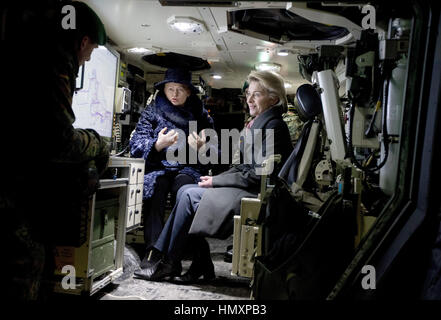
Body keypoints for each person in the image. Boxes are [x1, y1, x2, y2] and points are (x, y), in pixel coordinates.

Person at [134, 70, 293, 282]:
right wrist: (215, 180)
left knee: (188, 195)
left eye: (257, 94)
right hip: (246, 186)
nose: (249, 100)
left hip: (256, 193)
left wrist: (215, 179)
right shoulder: (257, 124)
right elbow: (241, 167)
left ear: (273, 98)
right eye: (248, 95)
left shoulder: (273, 126)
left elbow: (258, 175)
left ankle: (167, 262)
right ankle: (183, 262)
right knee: (184, 191)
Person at [1, 1, 110, 300]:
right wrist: (99, 143)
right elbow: (58, 141)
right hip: (12, 189)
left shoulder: (22, 48)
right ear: (83, 41)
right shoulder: (54, 63)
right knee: (23, 266)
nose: (87, 60)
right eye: (90, 52)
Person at [129, 68, 215, 266]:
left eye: (179, 90)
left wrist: (202, 148)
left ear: (189, 92)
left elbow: (217, 154)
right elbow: (136, 145)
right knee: (156, 189)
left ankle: (178, 252)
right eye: (170, 89)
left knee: (184, 193)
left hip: (187, 169)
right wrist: (157, 144)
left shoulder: (201, 116)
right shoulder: (153, 111)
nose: (174, 94)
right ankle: (153, 253)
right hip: (158, 167)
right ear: (163, 90)